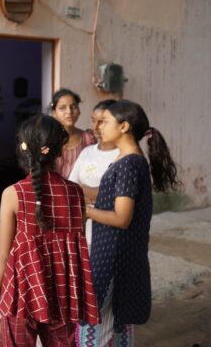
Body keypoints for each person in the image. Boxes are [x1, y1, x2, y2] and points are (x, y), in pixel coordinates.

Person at [0, 114, 99, 346]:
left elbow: (3, 254)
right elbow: (74, 247)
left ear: (22, 150)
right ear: (60, 152)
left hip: (22, 292)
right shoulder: (75, 193)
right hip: (63, 291)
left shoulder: (13, 194)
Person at [77, 100, 180, 346]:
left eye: (106, 122)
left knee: (96, 324)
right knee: (118, 321)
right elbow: (111, 202)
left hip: (113, 256)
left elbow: (122, 218)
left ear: (123, 127)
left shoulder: (129, 164)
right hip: (117, 253)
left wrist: (87, 213)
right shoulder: (128, 161)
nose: (99, 127)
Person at [68, 99, 119, 244]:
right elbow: (71, 188)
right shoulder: (87, 152)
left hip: (111, 235)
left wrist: (85, 191)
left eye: (102, 121)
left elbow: (116, 196)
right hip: (86, 234)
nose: (96, 127)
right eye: (93, 121)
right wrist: (89, 195)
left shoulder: (122, 155)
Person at [50, 88, 96, 179]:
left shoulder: (89, 139)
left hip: (81, 191)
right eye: (62, 108)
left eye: (73, 107)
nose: (69, 112)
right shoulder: (48, 140)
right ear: (54, 113)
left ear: (79, 111)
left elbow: (93, 170)